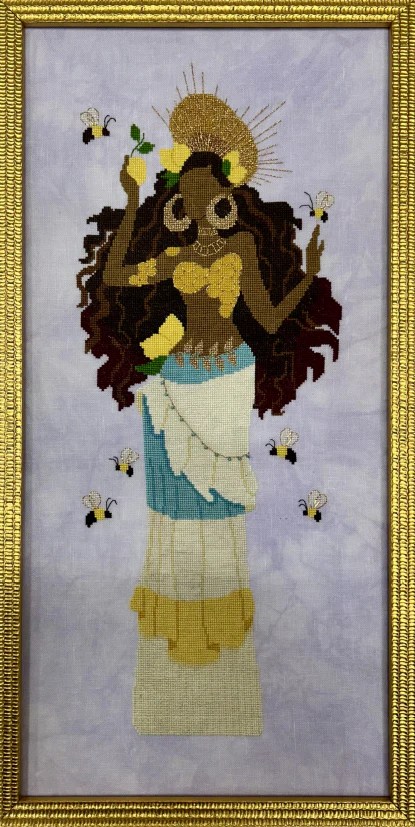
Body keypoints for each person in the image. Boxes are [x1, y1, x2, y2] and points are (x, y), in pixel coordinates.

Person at [77, 84, 341, 735]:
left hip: (225, 380)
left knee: (217, 509)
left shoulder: (241, 249)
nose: (198, 207)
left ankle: (220, 652)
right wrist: (131, 200)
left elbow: (269, 319)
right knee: (170, 510)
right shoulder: (171, 256)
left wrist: (307, 274)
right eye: (185, 198)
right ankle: (172, 653)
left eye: (209, 196)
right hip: (172, 382)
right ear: (176, 202)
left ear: (226, 198)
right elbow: (114, 277)